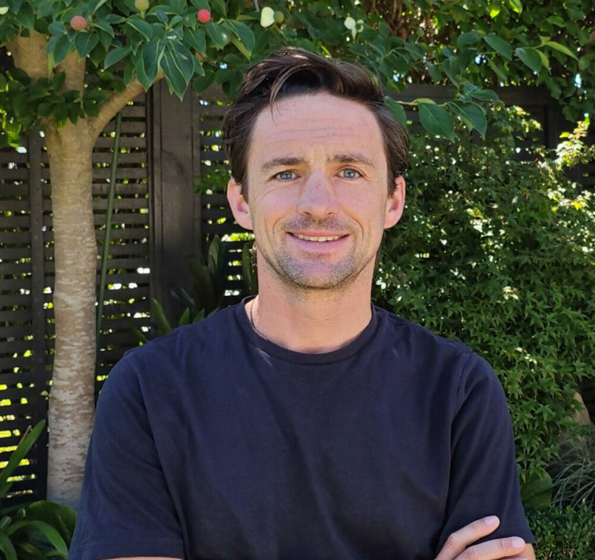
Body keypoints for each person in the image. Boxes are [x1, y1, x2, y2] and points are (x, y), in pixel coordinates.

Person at [67, 48, 537, 560]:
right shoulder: (149, 391)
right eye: (285, 173)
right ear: (242, 200)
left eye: (350, 172)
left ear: (393, 200)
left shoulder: (458, 392)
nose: (317, 202)